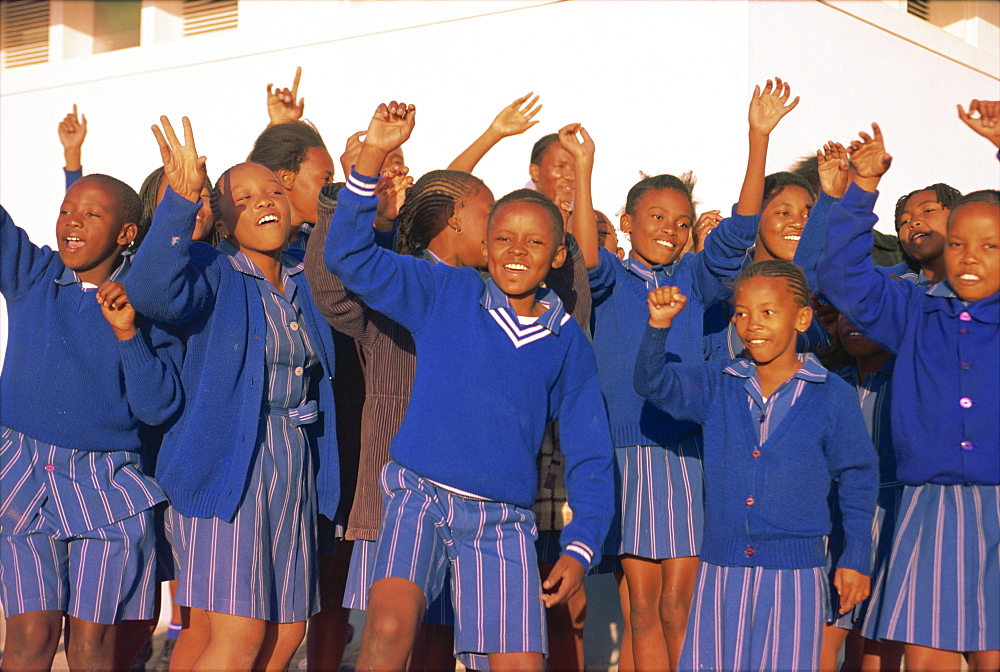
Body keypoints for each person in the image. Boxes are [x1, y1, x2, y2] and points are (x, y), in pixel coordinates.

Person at [324, 100, 614, 671]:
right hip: (418, 496)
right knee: (387, 625)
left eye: (534, 243)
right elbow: (348, 256)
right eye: (503, 238)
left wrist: (582, 547)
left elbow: (592, 454)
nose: (515, 252)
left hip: (503, 520)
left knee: (520, 664)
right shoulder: (446, 292)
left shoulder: (566, 341)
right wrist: (373, 157)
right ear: (486, 244)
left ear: (557, 255)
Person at [581, 78, 797, 671]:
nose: (671, 231)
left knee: (682, 605)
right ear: (625, 221)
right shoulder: (608, 283)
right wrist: (583, 170)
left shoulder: (698, 280)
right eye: (655, 217)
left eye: (680, 223)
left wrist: (759, 138)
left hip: (686, 452)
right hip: (625, 453)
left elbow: (741, 230)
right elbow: (585, 255)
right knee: (641, 606)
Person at [124, 116, 341, 671]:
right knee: (240, 635)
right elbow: (150, 289)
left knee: (288, 632)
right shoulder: (212, 271)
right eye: (242, 198)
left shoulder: (303, 278)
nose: (263, 202)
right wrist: (178, 198)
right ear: (220, 217)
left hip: (292, 469)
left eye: (273, 191)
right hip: (224, 472)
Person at [817, 120, 999, 672]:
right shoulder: (913, 310)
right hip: (931, 505)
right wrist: (862, 190)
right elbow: (841, 276)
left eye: (990, 245)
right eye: (959, 244)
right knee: (926, 659)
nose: (969, 256)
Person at [634, 262, 878, 671]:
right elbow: (653, 383)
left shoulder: (832, 395)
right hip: (721, 569)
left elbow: (857, 476)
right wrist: (658, 326)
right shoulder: (718, 382)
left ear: (802, 319)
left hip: (795, 576)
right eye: (742, 313)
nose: (752, 325)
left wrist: (855, 555)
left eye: (768, 312)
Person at [0, 175, 180, 671]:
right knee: (31, 636)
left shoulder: (146, 303)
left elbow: (157, 406)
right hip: (23, 477)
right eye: (65, 210)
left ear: (126, 233)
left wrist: (128, 335)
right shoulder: (33, 274)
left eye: (91, 214)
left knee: (92, 646)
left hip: (107, 486)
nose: (72, 221)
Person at [818, 314, 903, 672]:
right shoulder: (830, 383)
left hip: (894, 518)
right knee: (817, 645)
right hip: (835, 522)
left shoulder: (910, 382)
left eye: (870, 313)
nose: (853, 322)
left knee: (874, 654)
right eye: (845, 313)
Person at [886, 183, 963, 286]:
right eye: (905, 221)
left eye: (928, 210)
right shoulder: (890, 280)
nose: (913, 222)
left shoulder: (987, 276)